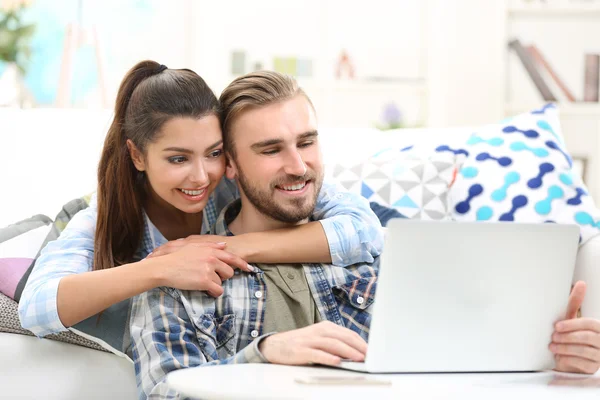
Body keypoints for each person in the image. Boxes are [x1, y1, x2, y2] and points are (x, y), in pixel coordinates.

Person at [18, 61, 384, 353]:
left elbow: (364, 230)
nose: (200, 177)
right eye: (178, 159)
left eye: (213, 153)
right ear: (137, 155)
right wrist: (160, 269)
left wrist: (226, 248)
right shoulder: (103, 216)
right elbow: (35, 309)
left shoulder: (235, 182)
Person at [130, 71, 379, 399]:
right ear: (229, 165)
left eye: (306, 143)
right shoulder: (178, 279)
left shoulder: (369, 250)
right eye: (271, 150)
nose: (298, 166)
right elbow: (166, 393)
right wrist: (262, 355)